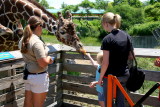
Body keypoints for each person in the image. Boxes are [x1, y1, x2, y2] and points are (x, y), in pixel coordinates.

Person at [98, 12, 134, 107]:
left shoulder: (107, 39)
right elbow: (131, 56)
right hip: (124, 75)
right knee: (120, 102)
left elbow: (105, 63)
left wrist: (100, 78)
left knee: (108, 103)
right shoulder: (127, 36)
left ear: (106, 23)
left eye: (102, 24)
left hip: (110, 77)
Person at [18, 16, 53, 107]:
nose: (42, 29)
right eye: (42, 26)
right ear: (38, 27)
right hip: (38, 77)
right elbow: (42, 63)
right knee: (38, 104)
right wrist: (49, 59)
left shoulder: (23, 39)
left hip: (28, 75)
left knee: (28, 102)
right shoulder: (37, 42)